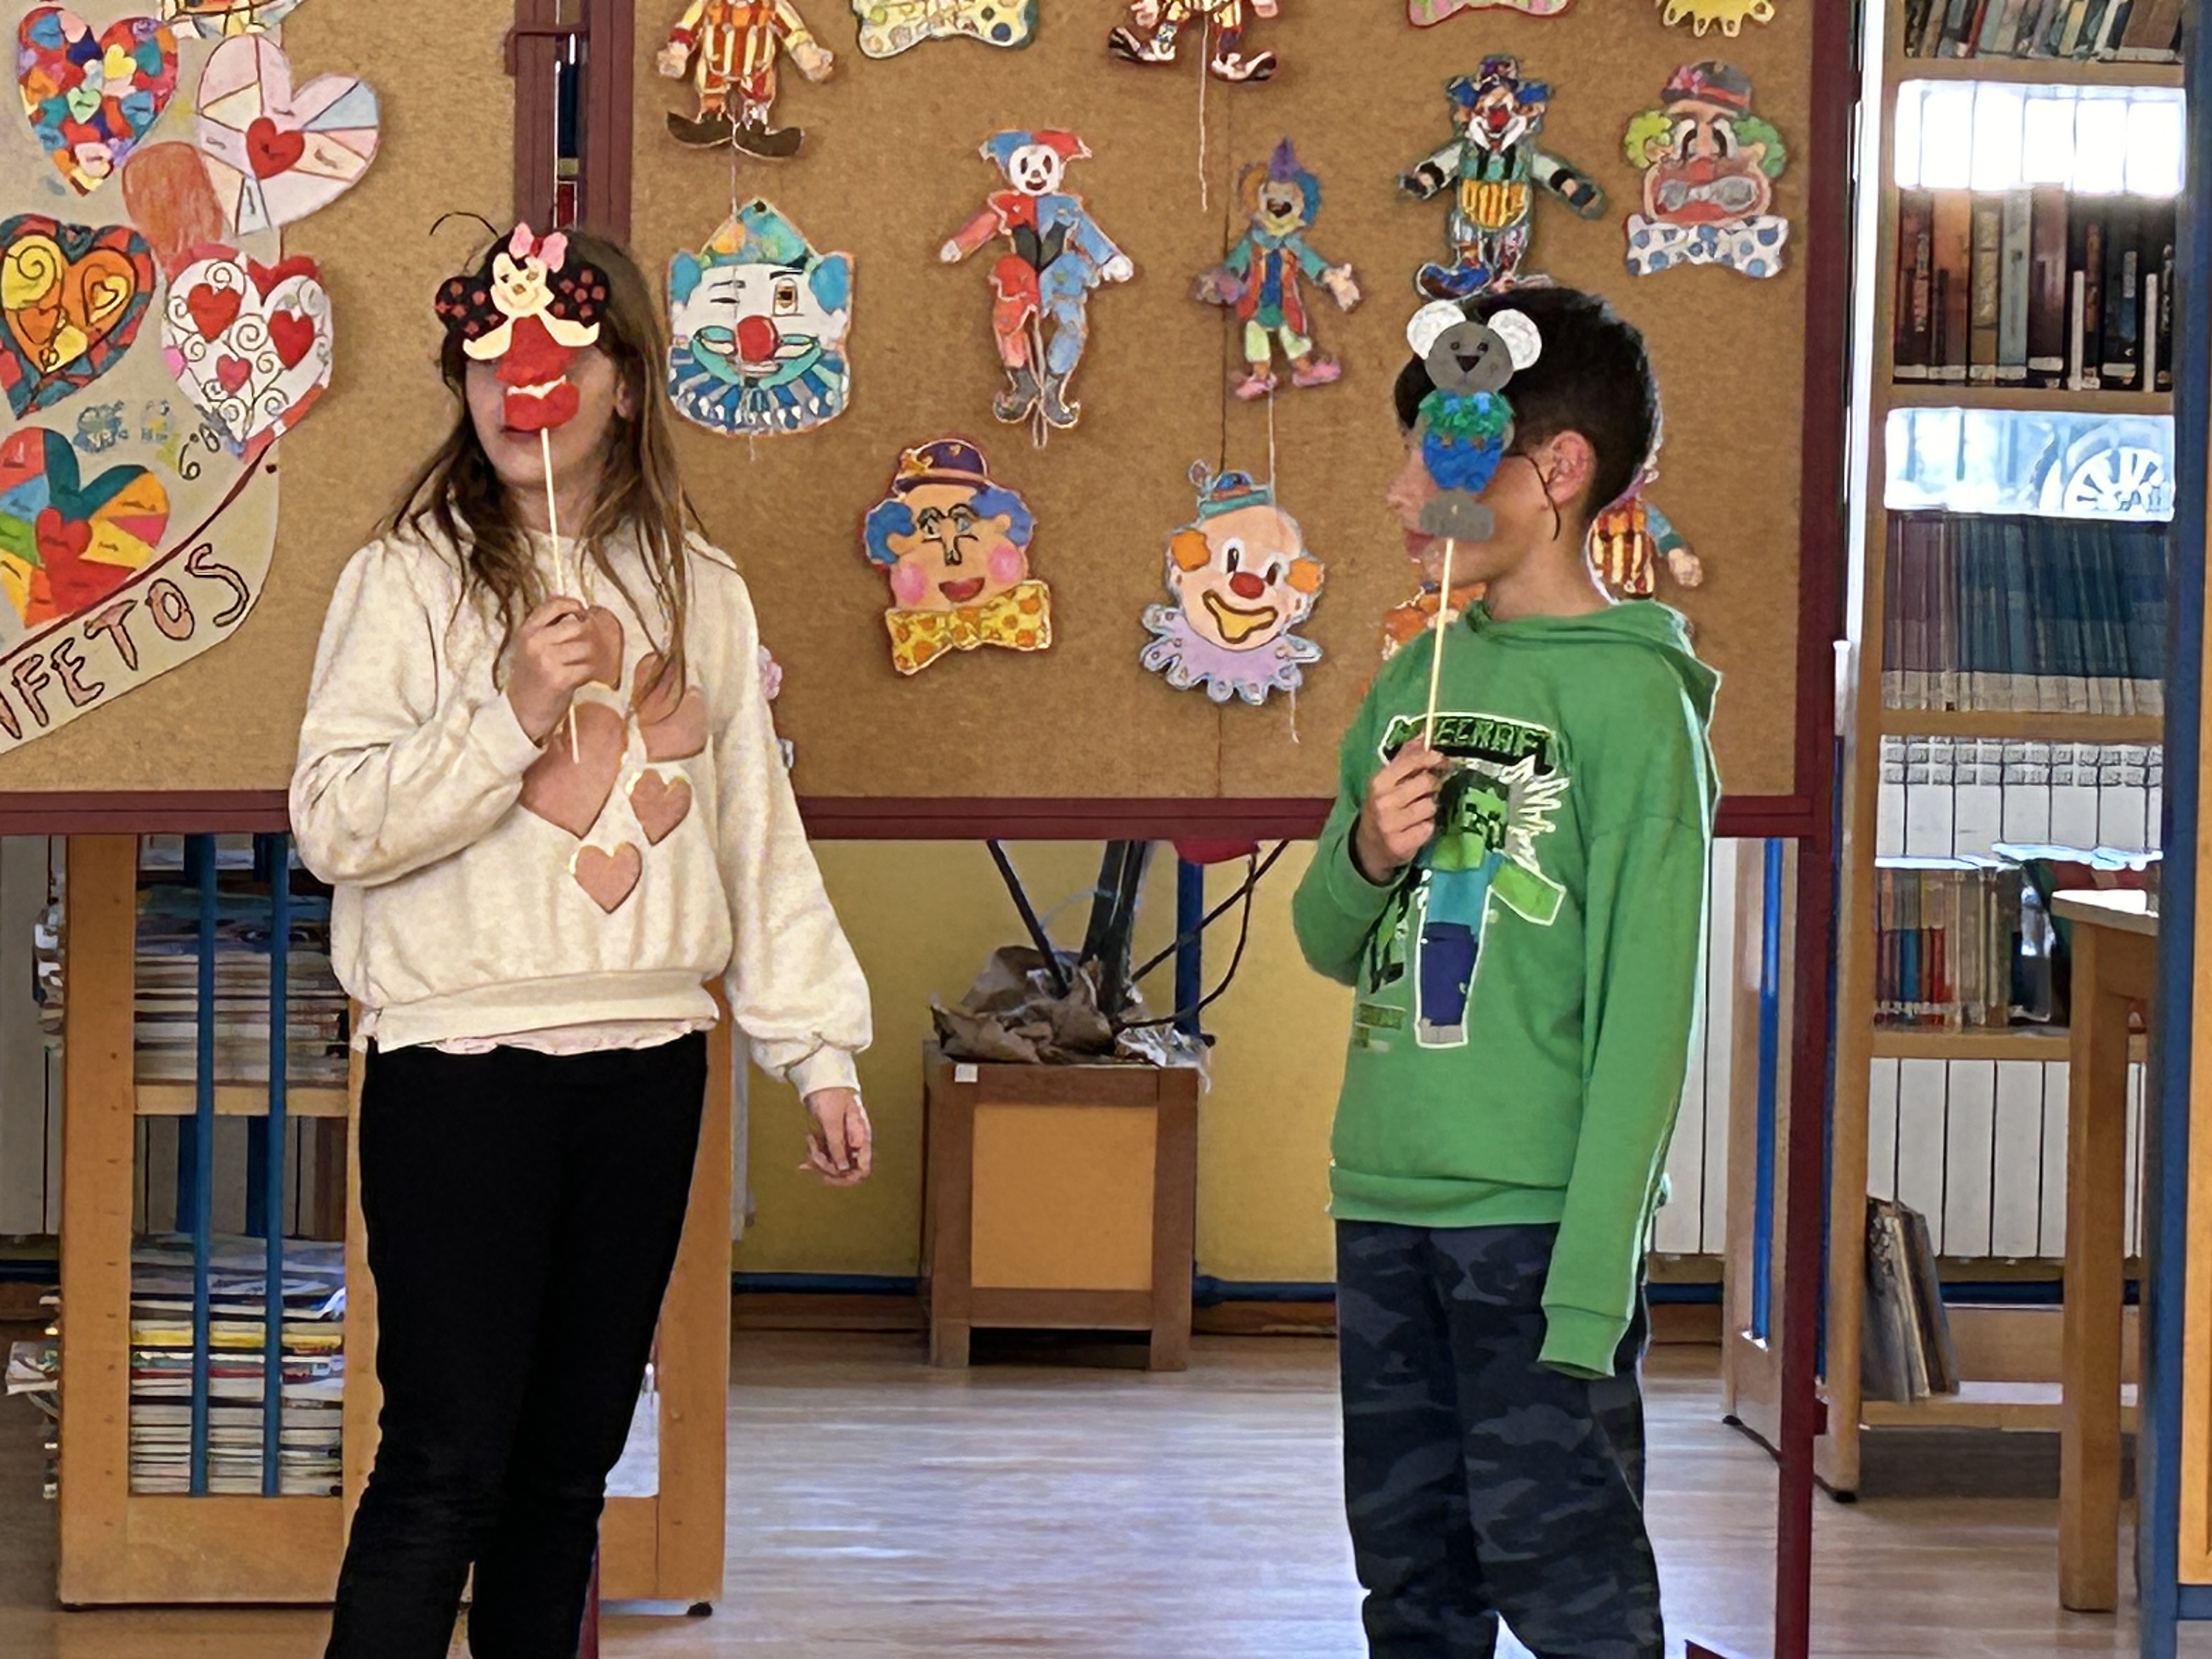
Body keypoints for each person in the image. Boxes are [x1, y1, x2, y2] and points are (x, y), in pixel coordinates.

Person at [292, 228, 873, 1659]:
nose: (519, 388)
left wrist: (816, 1047)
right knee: (445, 1461)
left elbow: (754, 834)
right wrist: (508, 714)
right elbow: (334, 824)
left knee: (568, 1471)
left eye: (555, 358)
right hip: (460, 1070)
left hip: (647, 1067)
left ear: (626, 382)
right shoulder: (407, 580)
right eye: (488, 361)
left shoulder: (700, 588)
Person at [1291, 286, 1719, 1658]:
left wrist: (1595, 1274)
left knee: (1570, 1582)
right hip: (1383, 1204)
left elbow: (1648, 1013)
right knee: (1412, 1584)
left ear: (1558, 470)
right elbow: (1321, 937)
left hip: (1536, 1232)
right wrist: (1369, 848)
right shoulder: (1413, 674)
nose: (1399, 490)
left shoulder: (1636, 702)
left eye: (1440, 456)